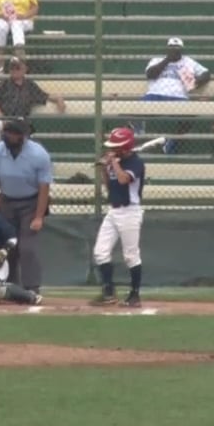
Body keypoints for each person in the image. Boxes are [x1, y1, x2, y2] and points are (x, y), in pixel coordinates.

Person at [0, 118, 52, 294]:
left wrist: (38, 216)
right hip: (6, 200)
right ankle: (10, 285)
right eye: (9, 133)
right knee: (9, 246)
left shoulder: (39, 154)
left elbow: (44, 187)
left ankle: (32, 287)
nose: (13, 136)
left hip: (31, 201)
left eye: (17, 133)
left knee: (27, 247)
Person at [89, 127, 146, 308]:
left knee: (131, 255)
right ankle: (108, 293)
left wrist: (113, 161)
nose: (112, 149)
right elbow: (110, 186)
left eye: (116, 147)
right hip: (114, 211)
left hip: (130, 212)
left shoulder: (136, 163)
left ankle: (134, 295)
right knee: (100, 252)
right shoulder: (118, 161)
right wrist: (103, 169)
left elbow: (123, 179)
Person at [144, 37, 210, 154]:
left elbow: (206, 73)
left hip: (178, 98)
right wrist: (167, 60)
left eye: (177, 48)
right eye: (171, 48)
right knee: (133, 109)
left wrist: (197, 81)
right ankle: (138, 136)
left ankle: (172, 142)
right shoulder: (157, 60)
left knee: (190, 115)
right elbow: (150, 74)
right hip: (156, 95)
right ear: (167, 49)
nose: (174, 50)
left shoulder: (188, 62)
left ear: (181, 50)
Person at [0, 57, 65, 152]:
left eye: (17, 67)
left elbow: (45, 96)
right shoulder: (3, 84)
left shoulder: (30, 86)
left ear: (25, 69)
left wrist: (59, 99)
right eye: (12, 68)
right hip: (4, 120)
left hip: (21, 122)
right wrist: (3, 120)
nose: (14, 70)